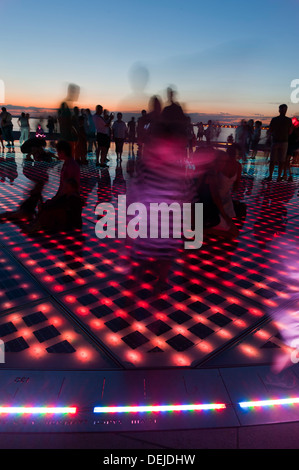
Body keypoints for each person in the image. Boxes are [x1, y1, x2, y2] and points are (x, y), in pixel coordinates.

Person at [25, 140, 82, 233]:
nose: (57, 154)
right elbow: (63, 186)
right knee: (46, 204)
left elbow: (68, 188)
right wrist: (56, 197)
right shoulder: (68, 164)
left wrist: (56, 199)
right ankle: (38, 223)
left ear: (62, 152)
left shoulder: (71, 166)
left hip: (70, 198)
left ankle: (39, 225)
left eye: (58, 151)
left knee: (47, 206)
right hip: (66, 195)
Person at [264, 104, 293, 182]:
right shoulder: (288, 120)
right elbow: (290, 132)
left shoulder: (274, 119)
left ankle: (270, 176)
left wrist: (269, 137)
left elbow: (270, 130)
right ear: (286, 111)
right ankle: (278, 177)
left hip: (276, 141)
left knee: (272, 160)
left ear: (279, 110)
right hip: (284, 142)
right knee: (282, 161)